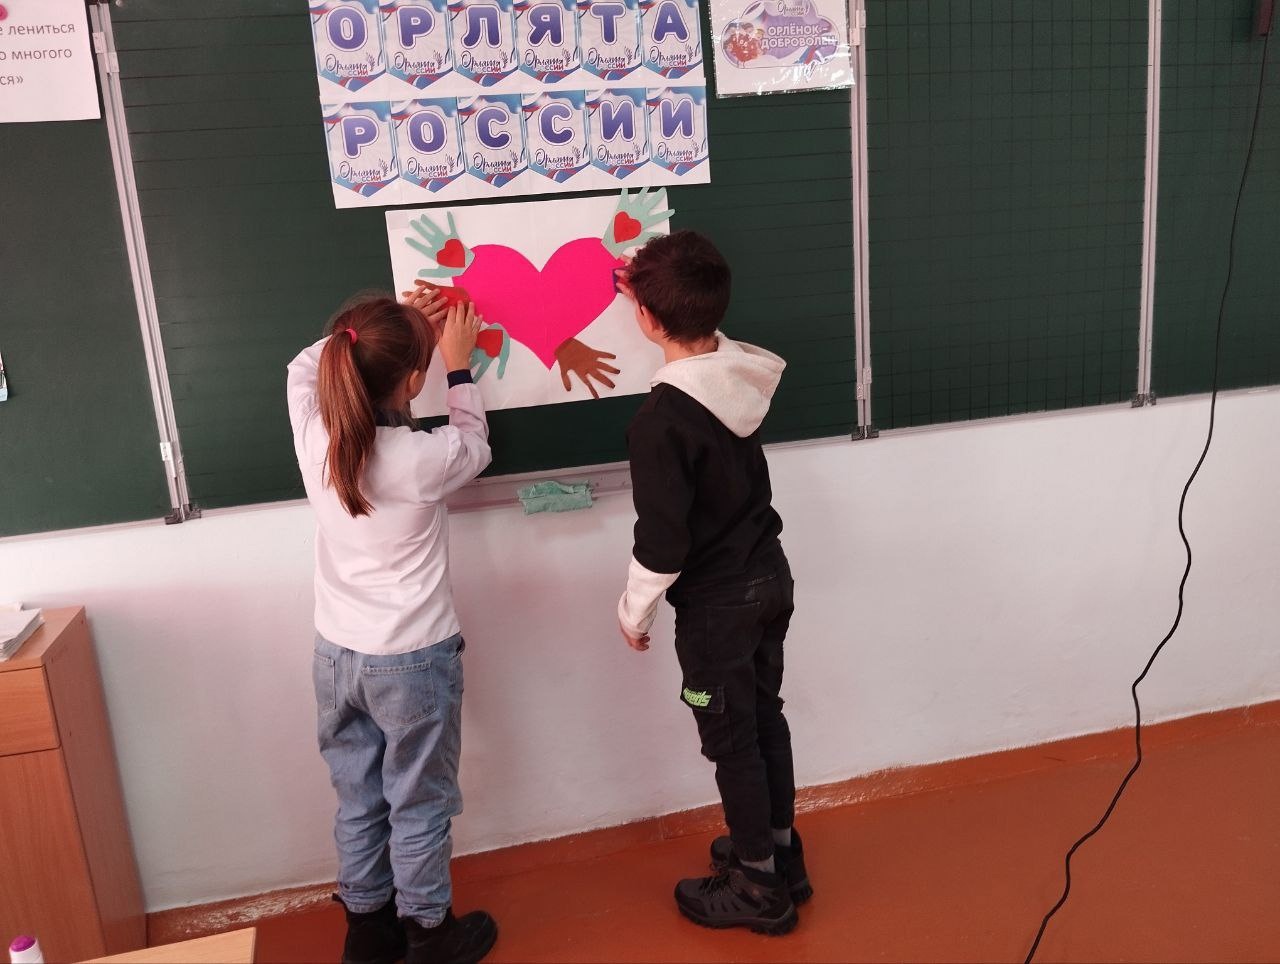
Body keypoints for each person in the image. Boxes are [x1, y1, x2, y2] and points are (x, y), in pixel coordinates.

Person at [286, 291, 497, 964]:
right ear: (412, 383)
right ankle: (429, 934)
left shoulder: (315, 432)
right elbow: (474, 445)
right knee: (418, 802)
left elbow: (302, 366)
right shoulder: (419, 457)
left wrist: (379, 328)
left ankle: (367, 929)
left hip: (336, 656)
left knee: (359, 797)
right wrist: (458, 367)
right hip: (411, 662)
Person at [616, 231, 811, 936]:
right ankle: (780, 854)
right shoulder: (735, 377)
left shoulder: (661, 421)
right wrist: (659, 290)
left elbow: (663, 543)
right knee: (763, 716)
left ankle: (758, 885)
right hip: (769, 581)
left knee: (729, 738)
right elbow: (698, 328)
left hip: (717, 609)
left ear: (646, 318)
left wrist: (634, 612)